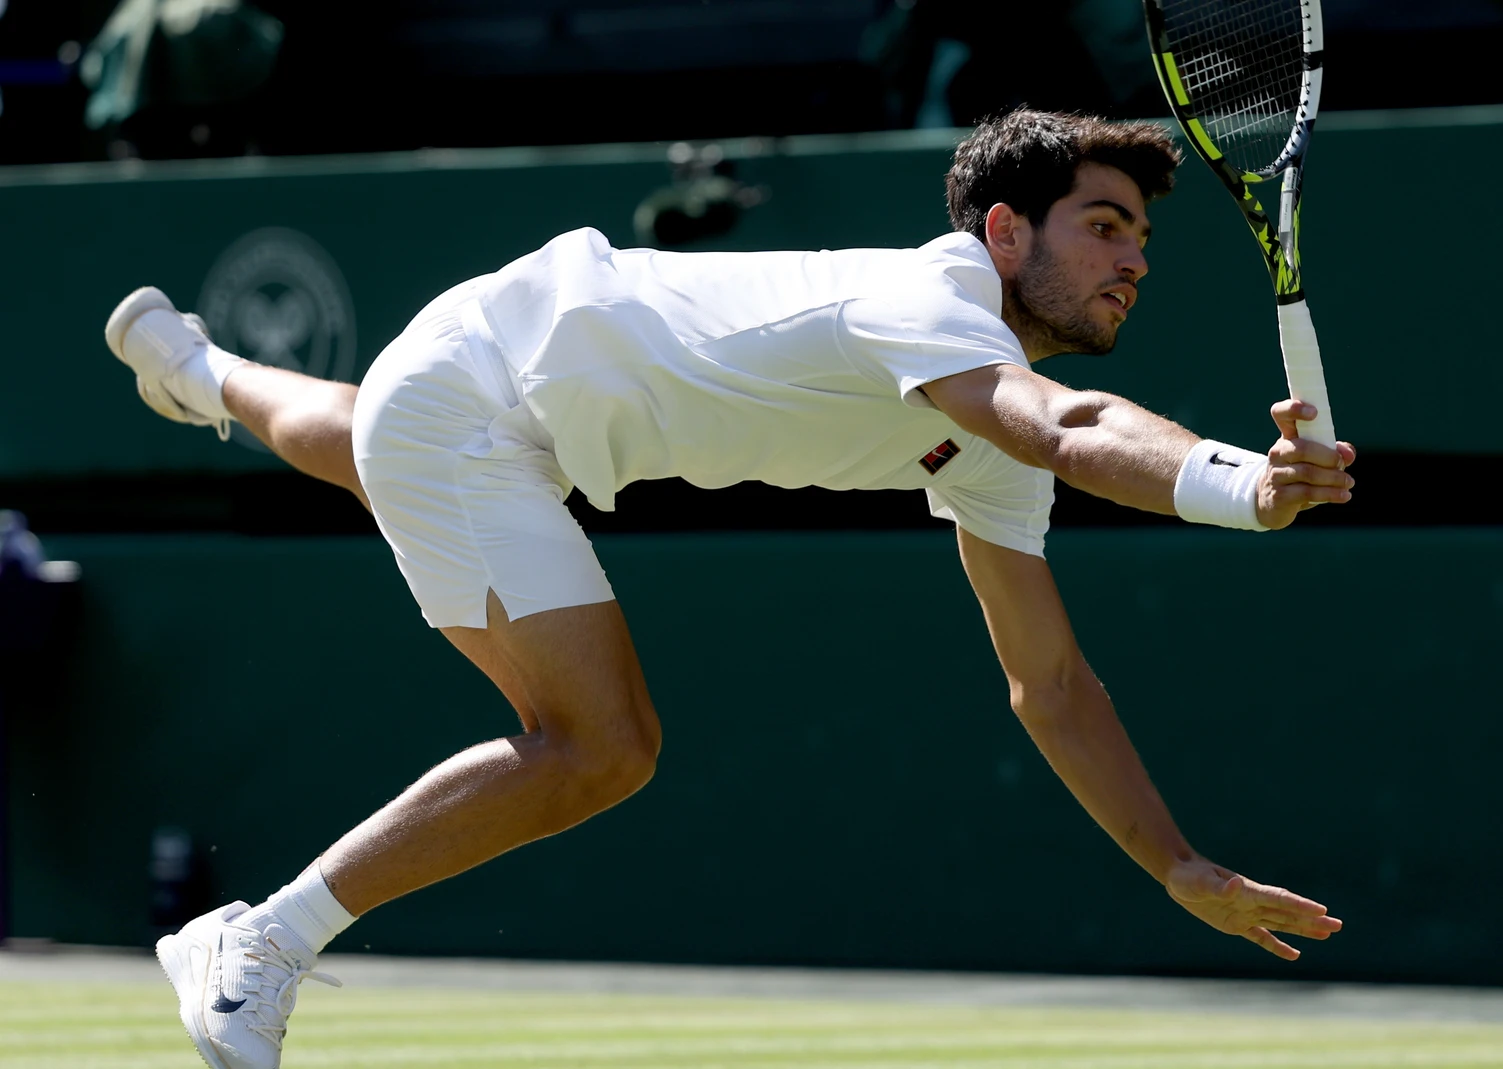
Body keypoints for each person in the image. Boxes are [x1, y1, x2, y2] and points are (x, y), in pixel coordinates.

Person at [104, 108, 1353, 1069]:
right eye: (1104, 224)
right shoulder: (940, 301)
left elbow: (1050, 682)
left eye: (1139, 236)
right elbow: (1072, 422)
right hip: (478, 398)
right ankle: (259, 938)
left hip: (488, 377)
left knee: (357, 431)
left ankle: (202, 371)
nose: (1133, 257)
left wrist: (1174, 863)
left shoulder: (988, 433)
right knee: (599, 743)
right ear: (1004, 233)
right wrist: (1240, 483)